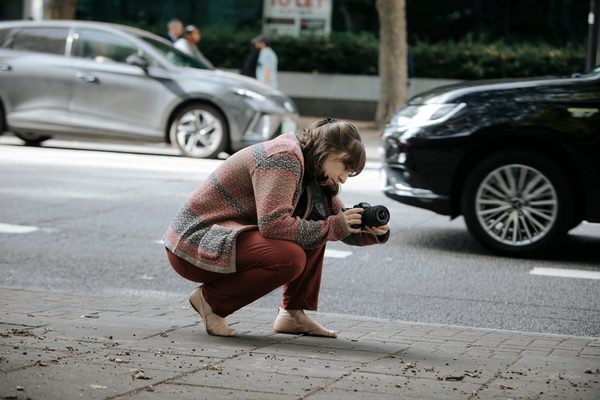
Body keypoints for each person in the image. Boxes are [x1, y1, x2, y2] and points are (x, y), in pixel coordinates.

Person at [163, 119, 391, 338]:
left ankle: (292, 315)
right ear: (326, 150)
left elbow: (336, 222)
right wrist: (334, 226)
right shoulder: (284, 157)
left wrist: (366, 230)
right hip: (193, 244)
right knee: (290, 256)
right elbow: (273, 225)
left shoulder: (315, 170)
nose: (343, 179)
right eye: (345, 167)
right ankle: (211, 302)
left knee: (319, 228)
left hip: (224, 239)